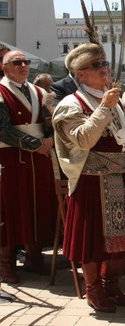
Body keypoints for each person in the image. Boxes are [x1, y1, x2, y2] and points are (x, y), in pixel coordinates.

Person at [52, 43, 125, 313]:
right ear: (80, 73)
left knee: (124, 238)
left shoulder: (114, 101)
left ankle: (112, 285)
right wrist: (104, 107)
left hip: (124, 179)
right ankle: (93, 289)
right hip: (93, 181)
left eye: (104, 64)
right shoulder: (70, 104)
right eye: (96, 66)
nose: (104, 69)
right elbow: (84, 139)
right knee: (93, 241)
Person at [0, 50, 57, 284]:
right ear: (4, 67)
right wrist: (36, 145)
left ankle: (34, 257)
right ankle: (5, 264)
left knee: (39, 204)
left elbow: (50, 119)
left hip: (39, 157)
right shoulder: (1, 92)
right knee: (10, 208)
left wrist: (51, 139)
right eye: (17, 62)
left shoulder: (39, 91)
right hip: (11, 157)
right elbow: (3, 129)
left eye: (25, 62)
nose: (23, 65)